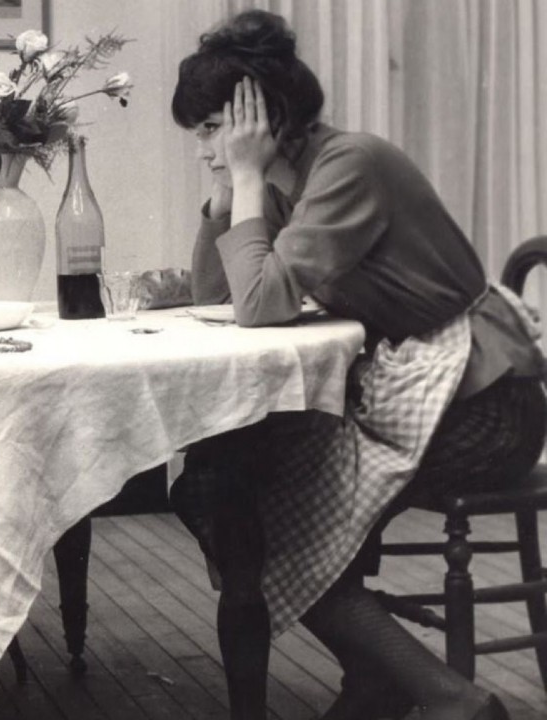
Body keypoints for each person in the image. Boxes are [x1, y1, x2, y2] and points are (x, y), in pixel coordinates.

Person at [169, 9, 547, 720]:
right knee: (222, 484)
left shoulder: (349, 165)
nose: (204, 149)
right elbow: (218, 298)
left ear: (264, 119)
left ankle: (448, 698)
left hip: (486, 407)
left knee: (256, 508)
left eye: (213, 128)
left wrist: (243, 179)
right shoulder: (287, 181)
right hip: (424, 394)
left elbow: (259, 303)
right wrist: (225, 201)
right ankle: (382, 681)